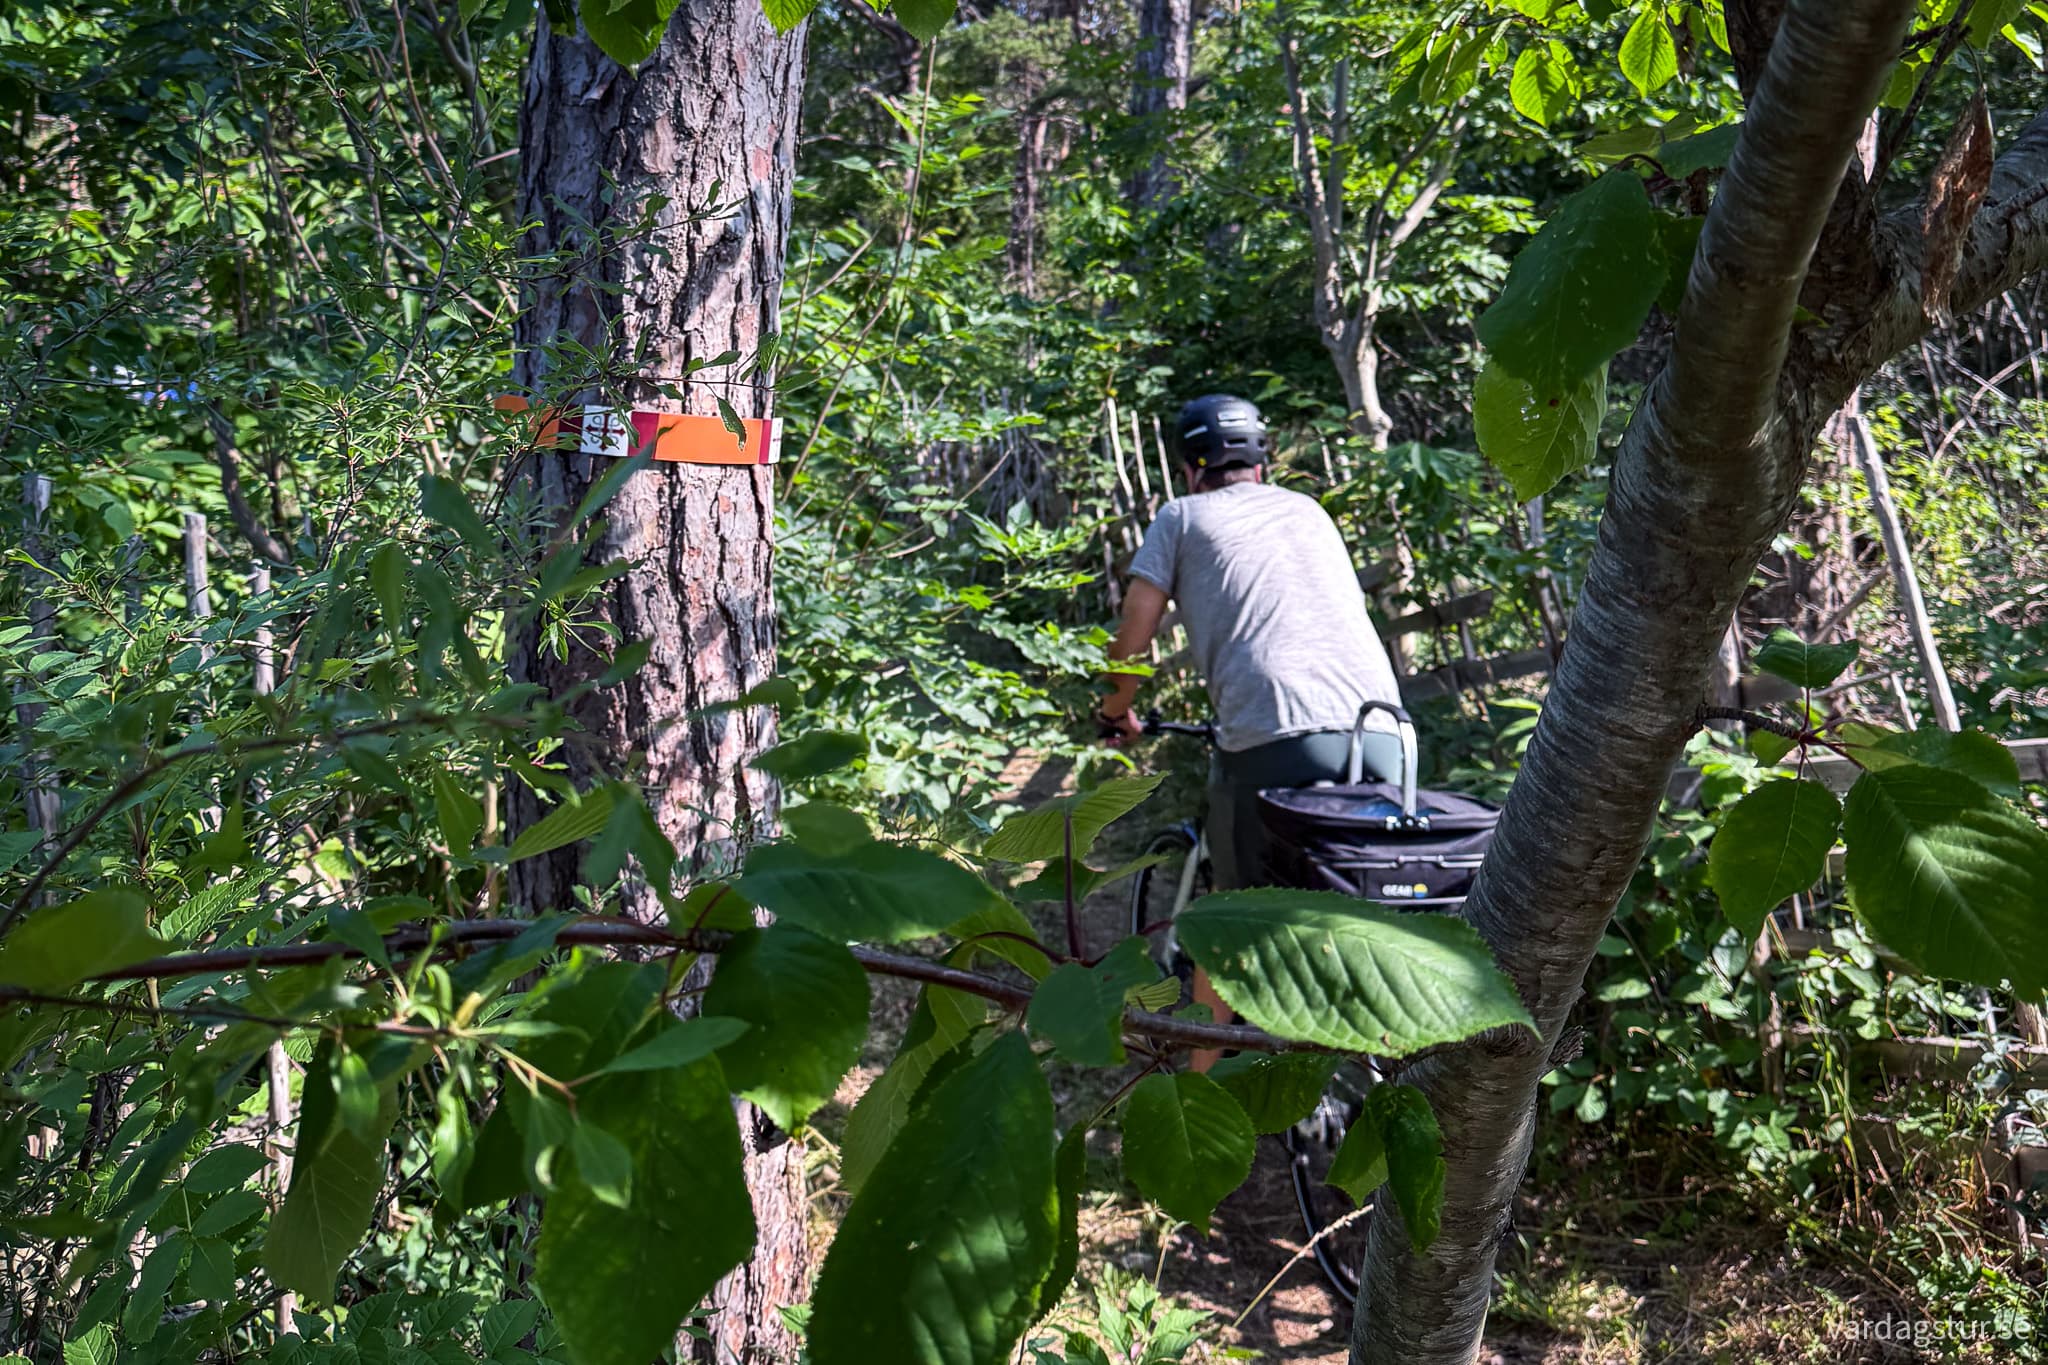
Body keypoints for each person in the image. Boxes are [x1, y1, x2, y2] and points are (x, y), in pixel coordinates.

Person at [1097, 393, 1407, 891]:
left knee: (1239, 912)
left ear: (1188, 470)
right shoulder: (1308, 510)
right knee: (1361, 895)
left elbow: (1135, 632)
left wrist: (1114, 711)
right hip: (1384, 730)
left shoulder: (1181, 517)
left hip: (1274, 726)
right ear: (1262, 463)